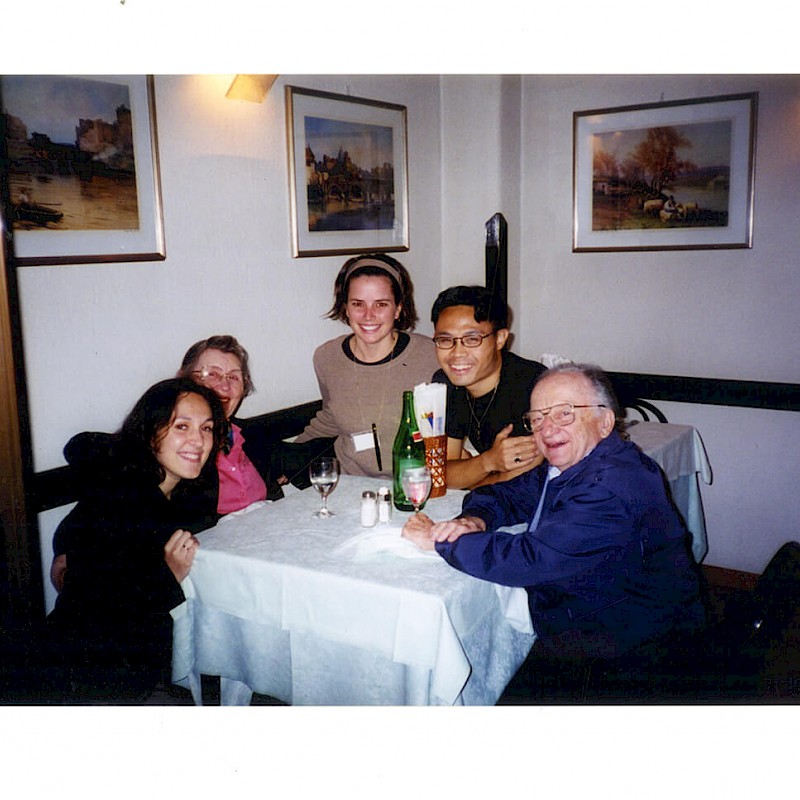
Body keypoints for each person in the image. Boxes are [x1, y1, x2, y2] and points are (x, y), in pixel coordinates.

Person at [402, 363, 704, 681]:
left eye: (564, 414)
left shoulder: (611, 483)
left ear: (605, 421)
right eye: (537, 418)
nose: (547, 429)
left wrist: (441, 539)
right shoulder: (577, 462)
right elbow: (508, 494)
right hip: (596, 623)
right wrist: (475, 520)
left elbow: (530, 558)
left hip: (635, 654)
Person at [45, 378, 227, 700]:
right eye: (181, 426)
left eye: (207, 428)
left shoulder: (182, 489)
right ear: (150, 431)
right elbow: (99, 610)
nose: (198, 440)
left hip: (136, 664)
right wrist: (167, 575)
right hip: (92, 675)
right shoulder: (123, 498)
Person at [294, 253, 439, 478]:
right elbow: (330, 418)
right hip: (350, 486)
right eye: (358, 304)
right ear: (346, 308)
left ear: (398, 308)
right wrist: (286, 458)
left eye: (381, 304)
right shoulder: (327, 357)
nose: (368, 315)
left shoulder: (430, 355)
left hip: (415, 485)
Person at [430, 285, 546, 489]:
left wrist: (469, 473)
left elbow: (521, 482)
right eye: (445, 340)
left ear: (500, 339)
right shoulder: (445, 384)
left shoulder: (535, 386)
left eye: (472, 339)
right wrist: (488, 462)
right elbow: (439, 474)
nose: (457, 353)